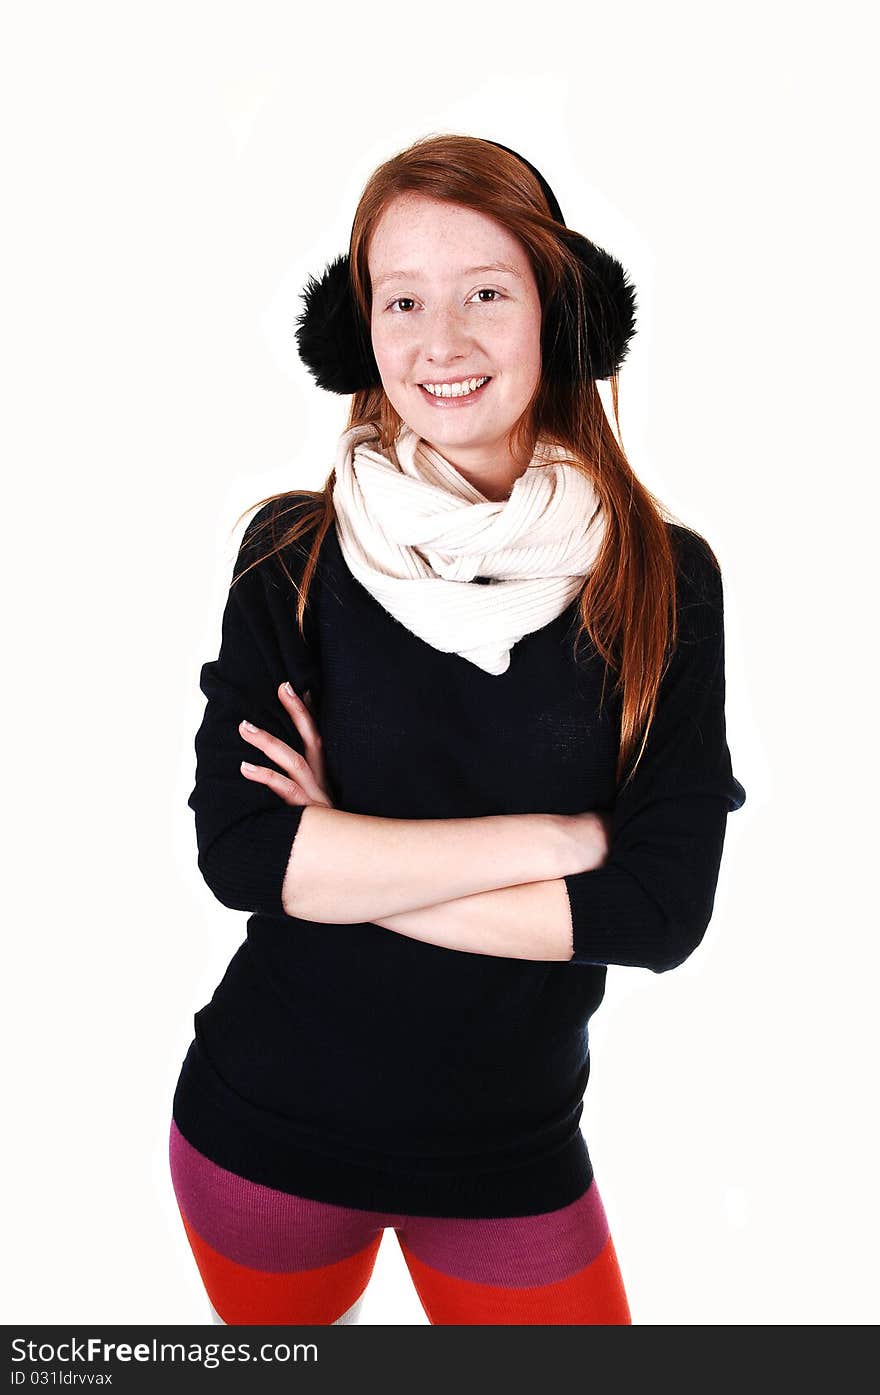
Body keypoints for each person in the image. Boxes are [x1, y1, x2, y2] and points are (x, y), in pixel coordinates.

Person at [168, 133, 747, 1326]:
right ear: (357, 331)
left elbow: (657, 915)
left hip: (511, 1155)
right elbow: (241, 859)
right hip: (260, 1134)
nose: (442, 342)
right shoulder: (293, 554)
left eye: (487, 292)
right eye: (403, 301)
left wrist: (338, 859)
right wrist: (563, 836)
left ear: (562, 312)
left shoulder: (662, 577)